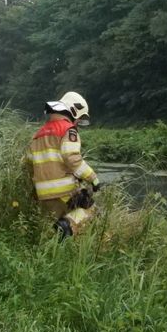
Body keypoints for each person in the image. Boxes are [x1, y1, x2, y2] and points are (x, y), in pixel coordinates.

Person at [27, 91, 101, 239]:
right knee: (90, 210)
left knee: (56, 231)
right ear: (73, 111)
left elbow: (29, 163)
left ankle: (60, 247)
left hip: (43, 193)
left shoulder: (38, 134)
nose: (78, 123)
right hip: (64, 191)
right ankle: (66, 226)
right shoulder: (68, 130)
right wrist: (93, 178)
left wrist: (35, 189)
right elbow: (72, 158)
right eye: (79, 119)